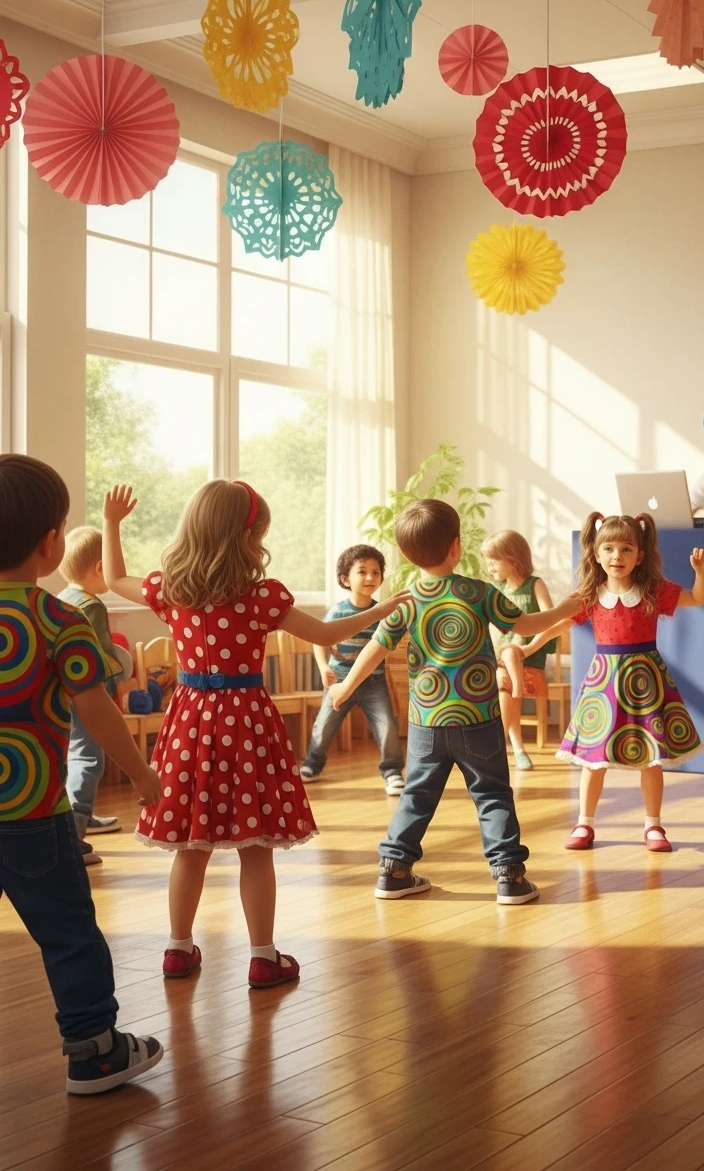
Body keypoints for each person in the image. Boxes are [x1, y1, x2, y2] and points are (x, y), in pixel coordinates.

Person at [102, 481, 410, 987]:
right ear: (248, 536)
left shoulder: (170, 589)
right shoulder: (262, 597)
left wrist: (113, 523)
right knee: (256, 842)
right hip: (246, 720)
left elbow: (113, 576)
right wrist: (377, 611)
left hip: (191, 719)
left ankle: (178, 950)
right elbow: (330, 636)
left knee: (190, 843)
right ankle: (263, 957)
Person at [0, 454, 164, 1095]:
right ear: (49, 545)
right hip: (34, 816)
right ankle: (96, 1054)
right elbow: (96, 711)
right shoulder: (58, 621)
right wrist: (143, 776)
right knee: (69, 934)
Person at [329, 499, 580, 904]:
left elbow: (375, 647)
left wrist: (344, 687)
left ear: (408, 554)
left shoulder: (405, 599)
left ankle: (394, 870)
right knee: (493, 793)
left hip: (426, 721)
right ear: (456, 547)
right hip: (478, 718)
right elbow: (527, 624)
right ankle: (509, 878)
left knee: (417, 795)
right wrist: (569, 606)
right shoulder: (478, 592)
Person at [559, 512, 704, 853]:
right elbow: (559, 623)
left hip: (646, 683)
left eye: (626, 549)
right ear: (596, 554)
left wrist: (702, 573)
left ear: (640, 556)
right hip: (604, 685)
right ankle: (585, 823)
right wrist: (528, 645)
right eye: (609, 549)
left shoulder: (652, 591)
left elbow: (697, 599)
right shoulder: (588, 595)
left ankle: (653, 825)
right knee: (594, 760)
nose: (617, 557)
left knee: (651, 757)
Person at [299, 544, 404, 795]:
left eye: (376, 572)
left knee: (387, 726)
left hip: (373, 682)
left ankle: (392, 772)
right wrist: (324, 667)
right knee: (324, 725)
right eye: (362, 572)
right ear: (345, 578)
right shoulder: (338, 610)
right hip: (339, 681)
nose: (370, 577)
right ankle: (312, 765)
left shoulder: (382, 612)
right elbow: (318, 639)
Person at [58, 526, 134, 865]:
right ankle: (73, 839)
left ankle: (82, 818)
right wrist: (124, 669)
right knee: (89, 759)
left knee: (75, 756)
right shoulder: (92, 606)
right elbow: (100, 656)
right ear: (100, 567)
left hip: (62, 696)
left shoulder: (62, 597)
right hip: (88, 698)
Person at [482, 529, 557, 771]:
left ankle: (498, 747)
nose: (489, 566)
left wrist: (529, 646)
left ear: (512, 559)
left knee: (505, 683)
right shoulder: (496, 588)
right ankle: (516, 747)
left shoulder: (535, 585)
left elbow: (552, 619)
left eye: (494, 561)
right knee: (506, 684)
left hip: (529, 655)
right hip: (500, 659)